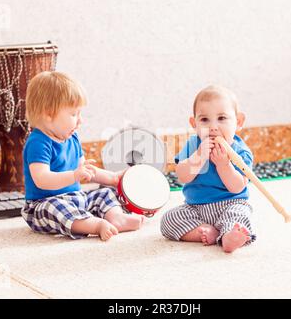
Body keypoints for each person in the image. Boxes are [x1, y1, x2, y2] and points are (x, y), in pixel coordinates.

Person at [21, 71, 143, 241]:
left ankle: (117, 217)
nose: (80, 121)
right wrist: (74, 176)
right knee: (56, 208)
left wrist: (113, 178)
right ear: (48, 114)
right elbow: (42, 179)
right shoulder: (38, 142)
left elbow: (87, 170)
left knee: (105, 193)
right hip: (42, 205)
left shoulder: (72, 137)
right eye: (73, 114)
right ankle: (95, 225)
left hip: (75, 198)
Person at [160, 85, 256, 253]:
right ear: (194, 123)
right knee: (169, 220)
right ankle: (206, 231)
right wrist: (198, 157)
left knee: (239, 216)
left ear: (238, 122)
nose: (213, 127)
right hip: (196, 207)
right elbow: (182, 176)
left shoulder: (240, 152)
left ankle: (229, 237)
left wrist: (224, 165)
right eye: (204, 120)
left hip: (231, 204)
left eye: (222, 118)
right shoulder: (193, 145)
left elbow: (237, 187)